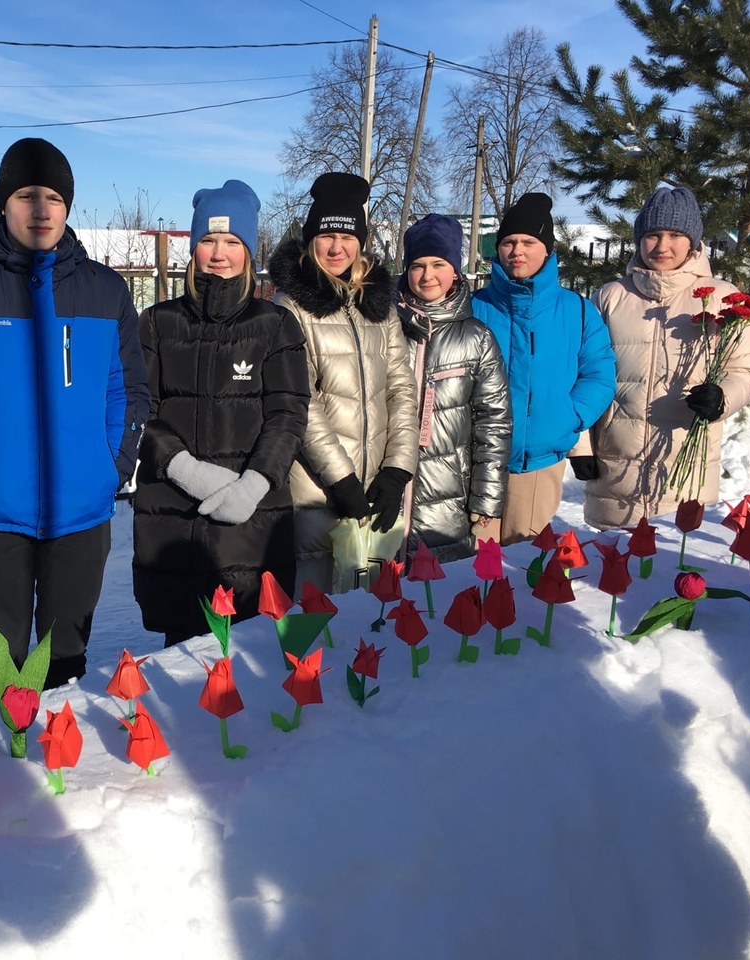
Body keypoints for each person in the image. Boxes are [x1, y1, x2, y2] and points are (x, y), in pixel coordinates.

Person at [0, 139, 148, 716]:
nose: (41, 210)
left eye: (53, 197)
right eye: (26, 196)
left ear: (68, 206)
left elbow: (129, 391)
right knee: (0, 653)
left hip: (82, 512)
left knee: (66, 653)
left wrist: (109, 469)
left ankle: (57, 770)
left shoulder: (105, 290)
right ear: (4, 204)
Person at [132, 180, 309, 644]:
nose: (218, 253)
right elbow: (136, 410)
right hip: (172, 521)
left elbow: (288, 414)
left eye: (232, 242)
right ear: (193, 248)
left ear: (249, 251)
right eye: (208, 240)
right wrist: (184, 468)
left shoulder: (274, 325)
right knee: (183, 664)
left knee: (247, 662)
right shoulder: (156, 323)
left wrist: (253, 484)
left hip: (250, 524)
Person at [575, 186, 750, 529]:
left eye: (675, 235)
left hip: (684, 468)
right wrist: (581, 445)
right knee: (613, 574)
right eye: (652, 235)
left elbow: (745, 370)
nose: (662, 246)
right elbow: (581, 374)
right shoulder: (609, 297)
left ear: (693, 241)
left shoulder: (723, 297)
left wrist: (722, 397)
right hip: (614, 469)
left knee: (673, 570)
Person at [267, 172, 418, 591]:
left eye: (348, 236)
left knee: (369, 629)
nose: (337, 247)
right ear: (310, 237)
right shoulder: (291, 306)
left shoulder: (378, 306)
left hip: (376, 495)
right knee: (314, 631)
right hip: (317, 495)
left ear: (362, 242)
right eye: (326, 234)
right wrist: (342, 480)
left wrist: (397, 470)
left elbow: (401, 388)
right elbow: (301, 398)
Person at [470, 192, 616, 544]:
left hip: (539, 462)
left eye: (528, 242)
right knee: (474, 567)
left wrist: (568, 417)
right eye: (508, 242)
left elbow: (599, 373)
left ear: (547, 250)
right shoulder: (474, 307)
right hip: (477, 462)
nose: (517, 251)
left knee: (525, 569)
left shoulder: (577, 311)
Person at [396, 214, 511, 562]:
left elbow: (494, 422)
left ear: (456, 271)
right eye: (417, 265)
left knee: (433, 600)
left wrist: (486, 498)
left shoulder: (476, 337)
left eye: (438, 264)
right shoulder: (384, 325)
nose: (427, 276)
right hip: (385, 496)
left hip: (448, 499)